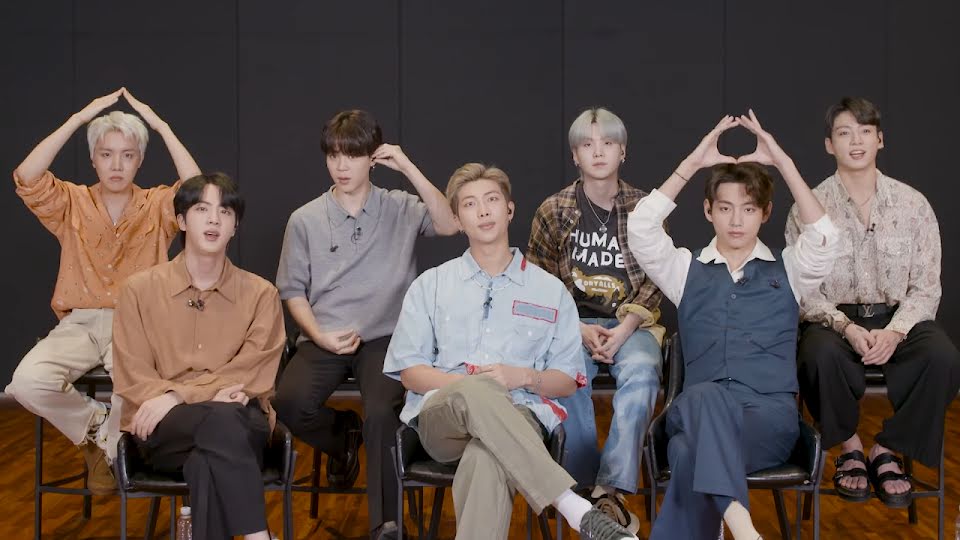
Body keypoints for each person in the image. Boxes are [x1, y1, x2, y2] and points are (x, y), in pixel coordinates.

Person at [384, 162, 638, 540]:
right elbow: (410, 372)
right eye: (470, 204)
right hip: (443, 420)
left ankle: (576, 510)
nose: (483, 211)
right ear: (457, 219)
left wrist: (522, 377)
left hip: (521, 416)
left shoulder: (550, 291)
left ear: (509, 210)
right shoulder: (430, 285)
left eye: (491, 200)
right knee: (476, 390)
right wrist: (471, 385)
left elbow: (567, 380)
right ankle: (572, 505)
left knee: (486, 457)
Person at [627, 112, 839, 539]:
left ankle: (739, 530)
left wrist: (783, 163)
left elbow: (825, 238)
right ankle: (745, 530)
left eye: (748, 209)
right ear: (708, 211)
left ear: (765, 212)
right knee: (704, 397)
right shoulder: (685, 270)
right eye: (725, 208)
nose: (736, 221)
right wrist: (693, 163)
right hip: (698, 410)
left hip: (765, 423)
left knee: (686, 453)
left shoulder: (789, 271)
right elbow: (641, 227)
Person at [272, 109, 458, 539]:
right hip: (325, 334)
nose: (341, 166)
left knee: (380, 415)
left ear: (373, 158)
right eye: (333, 155)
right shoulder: (305, 218)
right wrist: (318, 335)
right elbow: (293, 291)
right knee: (290, 403)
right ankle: (343, 438)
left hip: (386, 338)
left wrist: (407, 166)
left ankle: (386, 525)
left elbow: (450, 224)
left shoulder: (399, 206)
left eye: (353, 155)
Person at [5, 88, 200, 493]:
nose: (116, 164)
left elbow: (198, 191)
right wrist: (77, 119)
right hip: (79, 323)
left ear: (139, 160)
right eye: (106, 154)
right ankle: (97, 427)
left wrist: (161, 126)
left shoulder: (156, 204)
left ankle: (111, 452)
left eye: (127, 155)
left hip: (135, 323)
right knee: (25, 383)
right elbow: (26, 176)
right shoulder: (71, 201)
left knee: (137, 384)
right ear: (93, 158)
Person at [788, 96, 960, 507]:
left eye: (865, 131)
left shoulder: (913, 204)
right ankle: (849, 448)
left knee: (944, 358)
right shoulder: (808, 207)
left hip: (900, 319)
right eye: (844, 133)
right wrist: (846, 327)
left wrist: (896, 331)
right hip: (834, 321)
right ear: (829, 144)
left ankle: (887, 449)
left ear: (880, 139)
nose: (856, 141)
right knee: (816, 355)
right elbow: (804, 290)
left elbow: (926, 287)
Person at [112, 173, 284, 540]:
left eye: (225, 212)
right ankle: (259, 536)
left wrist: (178, 395)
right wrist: (199, 397)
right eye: (202, 209)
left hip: (241, 420)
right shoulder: (138, 291)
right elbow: (133, 373)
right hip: (164, 429)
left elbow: (253, 374)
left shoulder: (261, 294)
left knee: (212, 450)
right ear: (181, 220)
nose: (213, 220)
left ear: (235, 227)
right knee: (223, 421)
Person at [527, 107, 664, 532]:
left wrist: (625, 328)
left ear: (623, 152)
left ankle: (610, 491)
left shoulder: (643, 207)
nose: (598, 152)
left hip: (632, 322)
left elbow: (659, 276)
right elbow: (537, 283)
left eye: (608, 143)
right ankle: (581, 486)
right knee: (567, 378)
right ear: (575, 155)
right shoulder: (554, 210)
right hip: (572, 324)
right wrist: (575, 328)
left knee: (642, 374)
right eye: (588, 145)